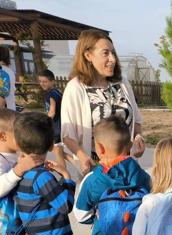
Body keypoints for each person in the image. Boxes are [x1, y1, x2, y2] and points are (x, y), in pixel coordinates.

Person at [61, 29, 145, 175]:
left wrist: (138, 138)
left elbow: (136, 120)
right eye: (105, 53)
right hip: (97, 172)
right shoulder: (76, 88)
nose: (112, 59)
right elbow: (68, 135)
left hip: (127, 169)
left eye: (113, 53)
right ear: (88, 55)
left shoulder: (122, 83)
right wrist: (82, 157)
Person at [37, 69, 73, 171]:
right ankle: (76, 165)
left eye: (45, 82)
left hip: (56, 127)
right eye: (40, 81)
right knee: (58, 151)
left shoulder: (50, 94)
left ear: (52, 81)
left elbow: (52, 111)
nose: (42, 84)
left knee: (57, 151)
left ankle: (66, 172)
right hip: (61, 125)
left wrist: (44, 122)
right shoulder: (57, 92)